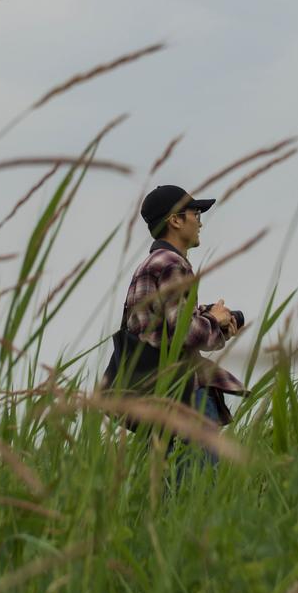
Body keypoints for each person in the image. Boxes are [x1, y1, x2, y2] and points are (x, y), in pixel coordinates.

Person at [102, 184, 246, 465]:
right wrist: (214, 322)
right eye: (195, 213)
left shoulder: (152, 263)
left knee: (167, 493)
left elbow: (163, 326)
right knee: (196, 488)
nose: (200, 222)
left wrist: (215, 317)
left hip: (158, 398)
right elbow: (187, 332)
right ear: (176, 220)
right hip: (183, 398)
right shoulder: (171, 263)